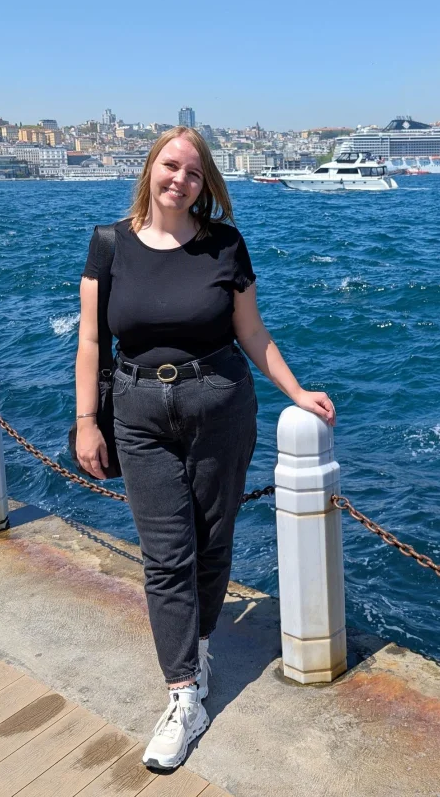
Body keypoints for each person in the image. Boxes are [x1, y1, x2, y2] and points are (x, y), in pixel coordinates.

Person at [74, 126, 335, 771]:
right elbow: (89, 341)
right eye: (170, 167)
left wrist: (295, 391)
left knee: (213, 540)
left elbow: (251, 330)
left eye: (193, 173)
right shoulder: (108, 245)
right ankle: (183, 692)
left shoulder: (224, 244)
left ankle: (202, 641)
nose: (179, 181)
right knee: (166, 555)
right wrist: (87, 420)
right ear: (149, 169)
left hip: (219, 403)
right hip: (136, 412)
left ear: (204, 183)